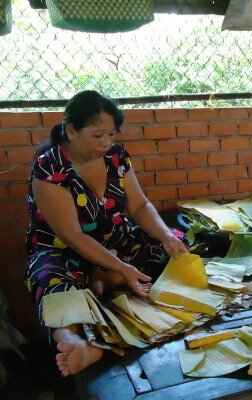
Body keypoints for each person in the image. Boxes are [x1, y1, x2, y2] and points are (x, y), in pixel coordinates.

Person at [25, 90, 188, 377]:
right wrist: (123, 268)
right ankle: (73, 341)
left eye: (111, 135)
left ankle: (103, 281)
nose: (106, 143)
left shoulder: (116, 156)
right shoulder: (49, 166)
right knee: (50, 281)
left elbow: (139, 205)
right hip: (64, 249)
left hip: (115, 240)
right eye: (97, 135)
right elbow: (74, 236)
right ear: (71, 130)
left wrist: (166, 236)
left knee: (176, 243)